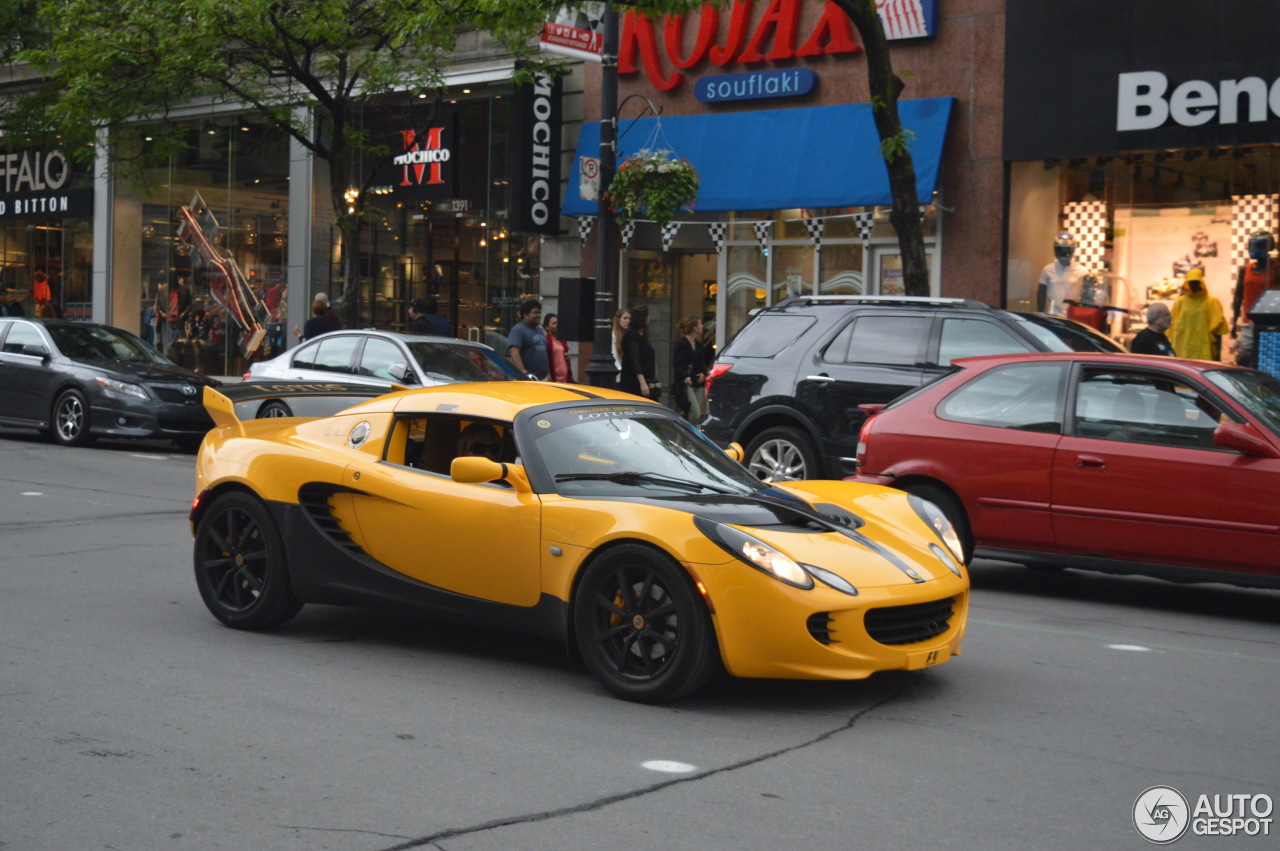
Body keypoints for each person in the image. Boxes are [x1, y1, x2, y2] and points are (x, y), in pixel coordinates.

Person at [1231, 229, 1278, 368]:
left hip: (1271, 322)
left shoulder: (1276, 269)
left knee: (1269, 360)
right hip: (1248, 322)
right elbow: (1238, 296)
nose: (1254, 250)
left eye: (1258, 246)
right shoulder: (1245, 270)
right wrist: (1234, 321)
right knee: (1245, 359)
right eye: (1252, 246)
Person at [1170, 269, 1229, 361]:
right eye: (1191, 282)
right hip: (1183, 352)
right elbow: (1171, 329)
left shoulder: (1212, 302)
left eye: (1196, 282)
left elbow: (1218, 331)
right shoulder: (1179, 303)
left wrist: (1218, 354)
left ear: (1201, 282)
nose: (1194, 285)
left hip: (1205, 351)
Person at [1037, 231, 1087, 317]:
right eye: (1061, 250)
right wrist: (1040, 312)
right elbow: (1041, 292)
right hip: (1052, 314)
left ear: (1073, 250)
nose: (1064, 254)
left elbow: (1086, 295)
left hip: (1073, 315)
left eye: (1068, 250)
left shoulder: (1082, 271)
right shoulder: (1048, 269)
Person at [619, 305, 658, 401]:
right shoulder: (631, 336)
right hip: (635, 383)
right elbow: (634, 360)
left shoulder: (643, 336)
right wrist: (642, 382)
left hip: (648, 378)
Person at [672, 315, 707, 421]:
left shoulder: (698, 344)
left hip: (698, 382)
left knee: (693, 414)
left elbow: (702, 362)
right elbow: (676, 364)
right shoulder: (681, 344)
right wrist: (685, 376)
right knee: (695, 413)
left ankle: (685, 436)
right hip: (686, 383)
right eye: (700, 324)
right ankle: (687, 436)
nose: (702, 326)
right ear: (695, 328)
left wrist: (703, 373)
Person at [507, 298, 548, 379]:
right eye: (535, 313)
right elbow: (514, 352)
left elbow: (543, 352)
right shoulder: (518, 330)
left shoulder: (539, 329)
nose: (539, 315)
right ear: (525, 315)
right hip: (529, 378)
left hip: (542, 378)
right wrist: (523, 371)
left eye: (540, 312)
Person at [543, 312, 575, 383]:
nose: (557, 325)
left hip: (566, 378)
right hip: (554, 378)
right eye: (554, 323)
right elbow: (545, 359)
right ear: (547, 327)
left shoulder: (562, 339)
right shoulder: (546, 341)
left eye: (558, 323)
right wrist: (548, 374)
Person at [611, 308, 630, 387]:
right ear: (618, 320)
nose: (628, 321)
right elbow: (614, 355)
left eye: (629, 318)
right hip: (618, 377)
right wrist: (620, 369)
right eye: (625, 318)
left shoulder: (628, 336)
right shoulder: (613, 336)